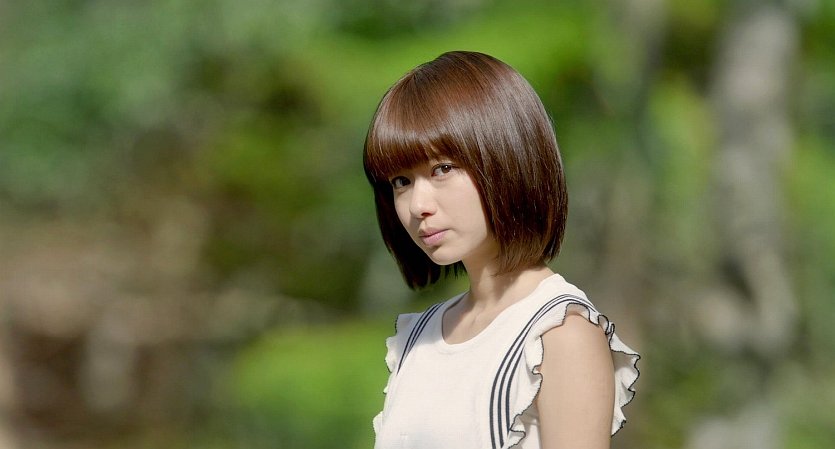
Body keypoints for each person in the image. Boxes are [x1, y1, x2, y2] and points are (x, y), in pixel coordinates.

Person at [363, 51, 640, 449]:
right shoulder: (419, 336)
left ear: (506, 158)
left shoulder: (559, 332)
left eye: (442, 169)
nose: (418, 204)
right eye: (401, 181)